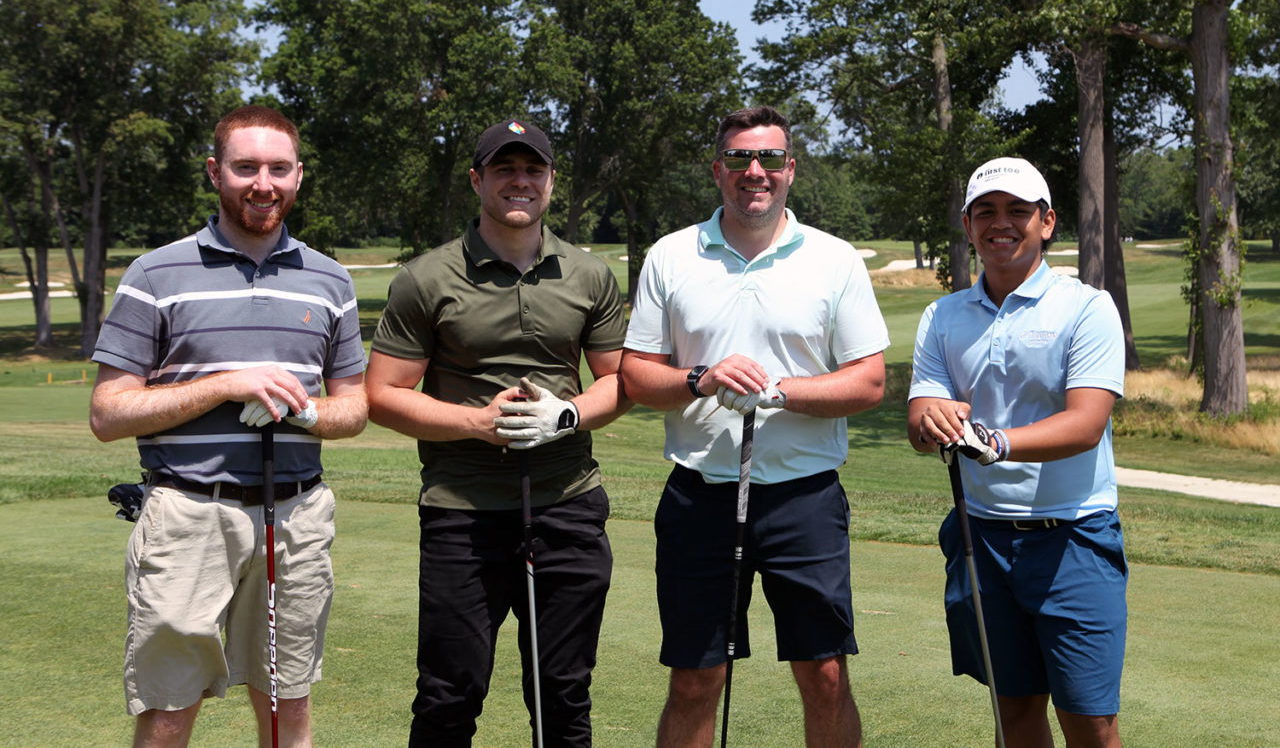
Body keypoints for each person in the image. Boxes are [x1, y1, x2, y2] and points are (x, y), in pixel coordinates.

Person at [89, 104, 368, 748]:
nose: (262, 183)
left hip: (295, 515)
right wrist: (226, 385)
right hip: (188, 513)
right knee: (168, 707)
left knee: (286, 702)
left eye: (278, 168)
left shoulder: (330, 279)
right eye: (245, 167)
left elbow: (353, 408)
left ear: (299, 176)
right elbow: (109, 413)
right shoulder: (154, 274)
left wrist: (303, 409)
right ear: (215, 172)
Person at [620, 106, 888, 748]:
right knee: (694, 678)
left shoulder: (834, 259)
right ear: (719, 170)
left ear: (790, 169)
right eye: (740, 159)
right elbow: (635, 376)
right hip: (700, 495)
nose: (755, 171)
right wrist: (701, 379)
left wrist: (779, 392)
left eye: (768, 158)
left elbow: (869, 381)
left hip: (806, 498)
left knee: (824, 673)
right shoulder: (672, 255)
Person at [364, 119, 630, 747]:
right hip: (464, 513)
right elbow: (382, 395)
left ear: (551, 181)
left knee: (563, 695)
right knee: (449, 695)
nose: (520, 182)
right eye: (505, 170)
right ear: (479, 179)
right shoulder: (427, 278)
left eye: (532, 169)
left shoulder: (589, 276)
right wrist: (477, 425)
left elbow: (620, 382)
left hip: (568, 505)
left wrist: (565, 415)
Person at [907, 156, 1127, 748]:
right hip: (982, 537)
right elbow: (920, 419)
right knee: (1015, 708)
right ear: (968, 224)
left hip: (1073, 535)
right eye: (986, 212)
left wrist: (994, 443)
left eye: (1017, 211)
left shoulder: (1086, 306)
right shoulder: (942, 315)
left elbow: (1085, 424)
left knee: (1090, 720)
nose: (1000, 224)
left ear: (1047, 221)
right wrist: (933, 422)